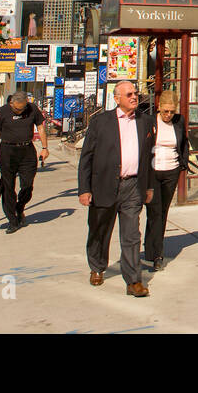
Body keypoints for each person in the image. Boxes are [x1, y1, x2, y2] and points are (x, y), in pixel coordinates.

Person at [78, 80, 155, 297]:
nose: (134, 97)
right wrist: (84, 189)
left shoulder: (145, 121)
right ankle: (97, 266)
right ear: (117, 98)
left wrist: (148, 186)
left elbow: (148, 156)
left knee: (131, 235)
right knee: (100, 231)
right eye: (129, 94)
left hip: (133, 186)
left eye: (136, 93)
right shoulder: (100, 122)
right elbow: (87, 157)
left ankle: (133, 281)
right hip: (104, 185)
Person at [0, 90, 48, 233]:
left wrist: (45, 148)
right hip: (7, 151)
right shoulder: (3, 111)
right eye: (16, 109)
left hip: (27, 150)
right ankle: (12, 220)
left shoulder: (32, 108)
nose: (19, 112)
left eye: (22, 109)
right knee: (8, 187)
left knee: (27, 185)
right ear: (11, 103)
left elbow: (40, 127)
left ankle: (19, 207)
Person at [142, 89, 188, 272]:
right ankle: (155, 252)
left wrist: (182, 164)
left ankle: (154, 251)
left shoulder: (179, 122)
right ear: (159, 107)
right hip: (154, 171)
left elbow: (183, 143)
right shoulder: (150, 122)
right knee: (154, 212)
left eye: (172, 111)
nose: (168, 115)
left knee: (163, 211)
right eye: (165, 111)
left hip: (171, 171)